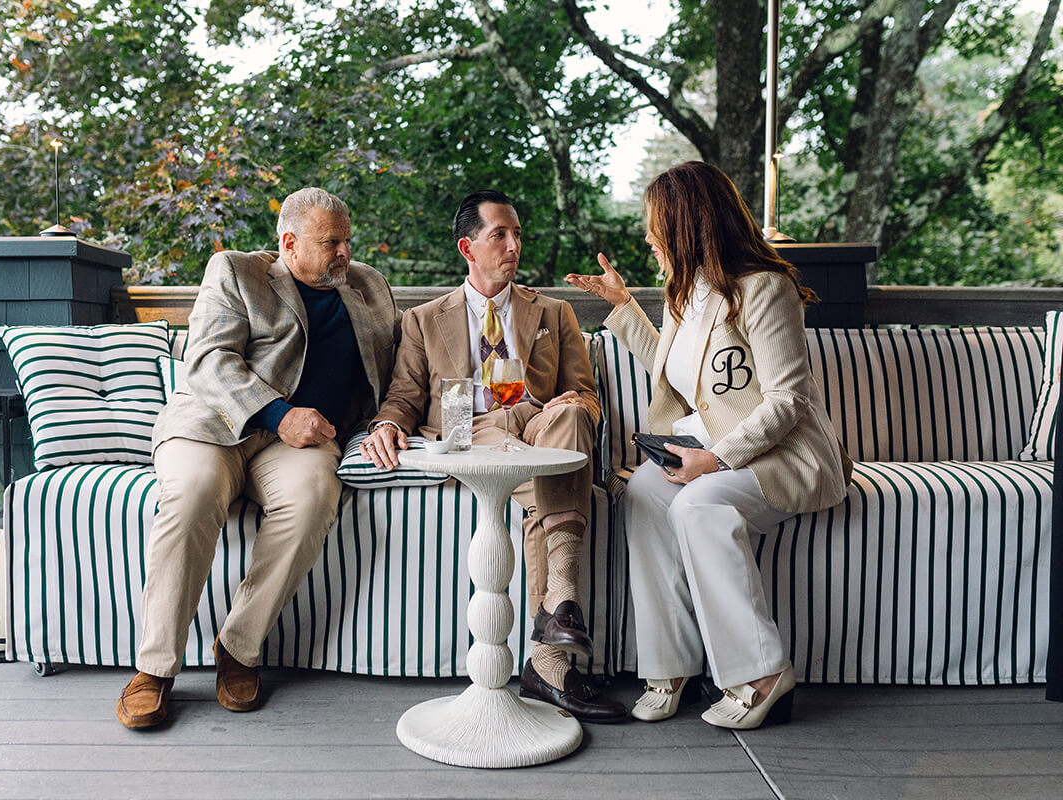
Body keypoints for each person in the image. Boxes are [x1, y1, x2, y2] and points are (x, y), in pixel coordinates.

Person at [565, 162, 851, 729]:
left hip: (786, 455)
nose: (649, 238)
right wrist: (624, 308)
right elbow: (672, 373)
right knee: (644, 490)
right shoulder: (684, 293)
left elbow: (788, 400)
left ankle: (761, 673)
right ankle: (670, 666)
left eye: (656, 226)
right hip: (718, 451)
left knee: (699, 502)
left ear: (686, 224)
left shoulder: (766, 288)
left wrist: (714, 460)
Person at [116, 188, 400, 729]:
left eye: (347, 240)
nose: (345, 253)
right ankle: (154, 667)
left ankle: (239, 648)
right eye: (330, 242)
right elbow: (207, 360)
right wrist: (277, 414)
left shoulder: (369, 286)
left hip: (301, 445)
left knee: (316, 496)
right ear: (289, 243)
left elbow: (408, 359)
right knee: (193, 493)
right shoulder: (237, 271)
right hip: (214, 427)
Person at [361, 190, 626, 722]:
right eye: (499, 235)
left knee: (570, 421)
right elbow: (406, 395)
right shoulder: (424, 320)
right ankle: (551, 657)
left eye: (518, 234)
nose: (513, 245)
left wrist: (580, 402)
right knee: (543, 470)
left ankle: (558, 606)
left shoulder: (555, 311)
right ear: (468, 246)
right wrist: (388, 424)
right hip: (469, 431)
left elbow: (584, 393)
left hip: (542, 425)